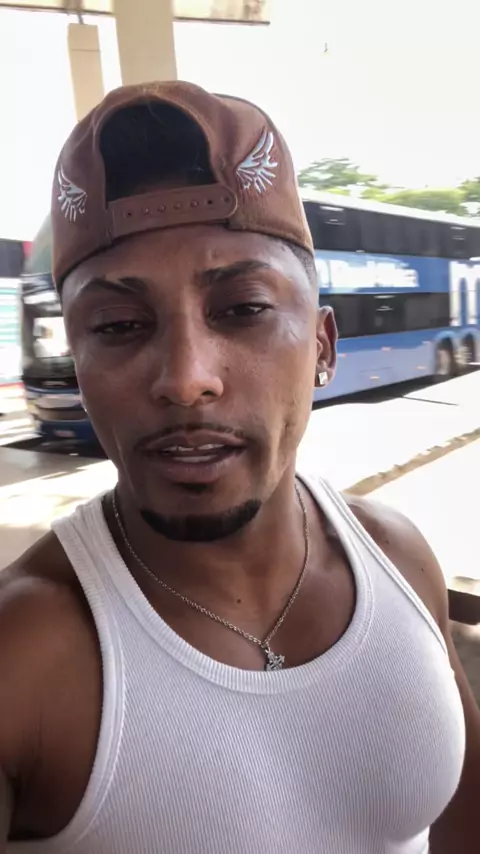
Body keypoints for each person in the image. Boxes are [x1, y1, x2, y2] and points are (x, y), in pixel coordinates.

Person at [0, 81, 479, 854]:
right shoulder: (23, 653)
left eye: (243, 309)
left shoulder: (397, 557)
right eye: (118, 325)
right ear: (78, 360)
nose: (186, 378)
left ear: (322, 346)